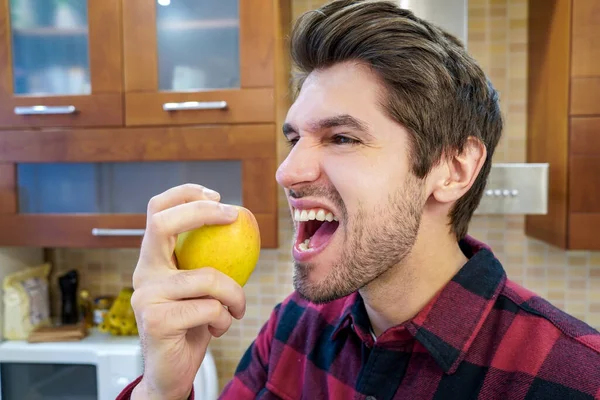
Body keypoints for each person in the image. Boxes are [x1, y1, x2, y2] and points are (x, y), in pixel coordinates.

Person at [117, 1, 600, 399]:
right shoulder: (293, 327)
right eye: (294, 140)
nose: (287, 172)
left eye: (342, 138)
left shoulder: (573, 377)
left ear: (454, 169)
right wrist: (164, 387)